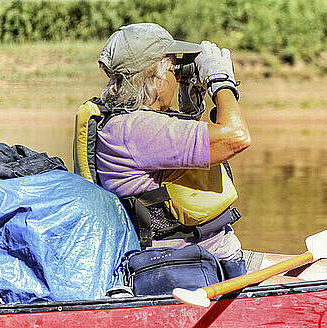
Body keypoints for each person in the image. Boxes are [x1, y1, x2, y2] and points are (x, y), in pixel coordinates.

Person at [93, 23, 250, 268]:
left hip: (210, 257)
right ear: (155, 77)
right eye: (174, 70)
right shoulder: (139, 130)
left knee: (325, 269)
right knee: (324, 276)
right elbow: (236, 137)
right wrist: (221, 83)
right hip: (194, 266)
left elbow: (189, 145)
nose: (179, 78)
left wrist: (191, 98)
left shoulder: (129, 123)